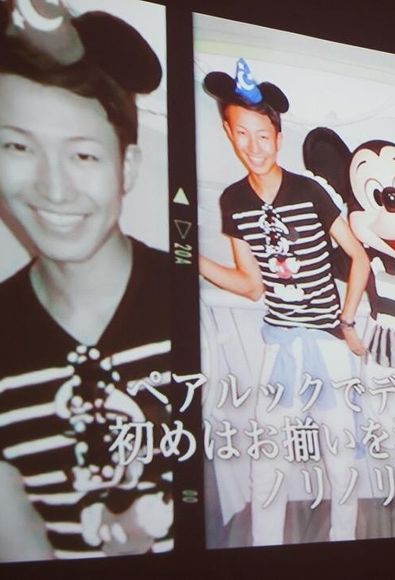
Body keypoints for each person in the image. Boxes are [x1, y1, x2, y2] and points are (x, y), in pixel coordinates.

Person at [0, 3, 172, 561]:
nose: (53, 189)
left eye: (82, 154)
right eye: (17, 146)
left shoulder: (191, 302)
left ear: (128, 167)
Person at [200, 59, 370, 545]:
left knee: (341, 460)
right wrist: (191, 260)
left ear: (278, 136)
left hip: (328, 344)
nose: (254, 146)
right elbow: (251, 285)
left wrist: (347, 321)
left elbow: (360, 258)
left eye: (263, 135)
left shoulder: (310, 191)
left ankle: (344, 544)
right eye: (242, 134)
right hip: (280, 346)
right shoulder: (233, 201)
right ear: (228, 132)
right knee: (266, 460)